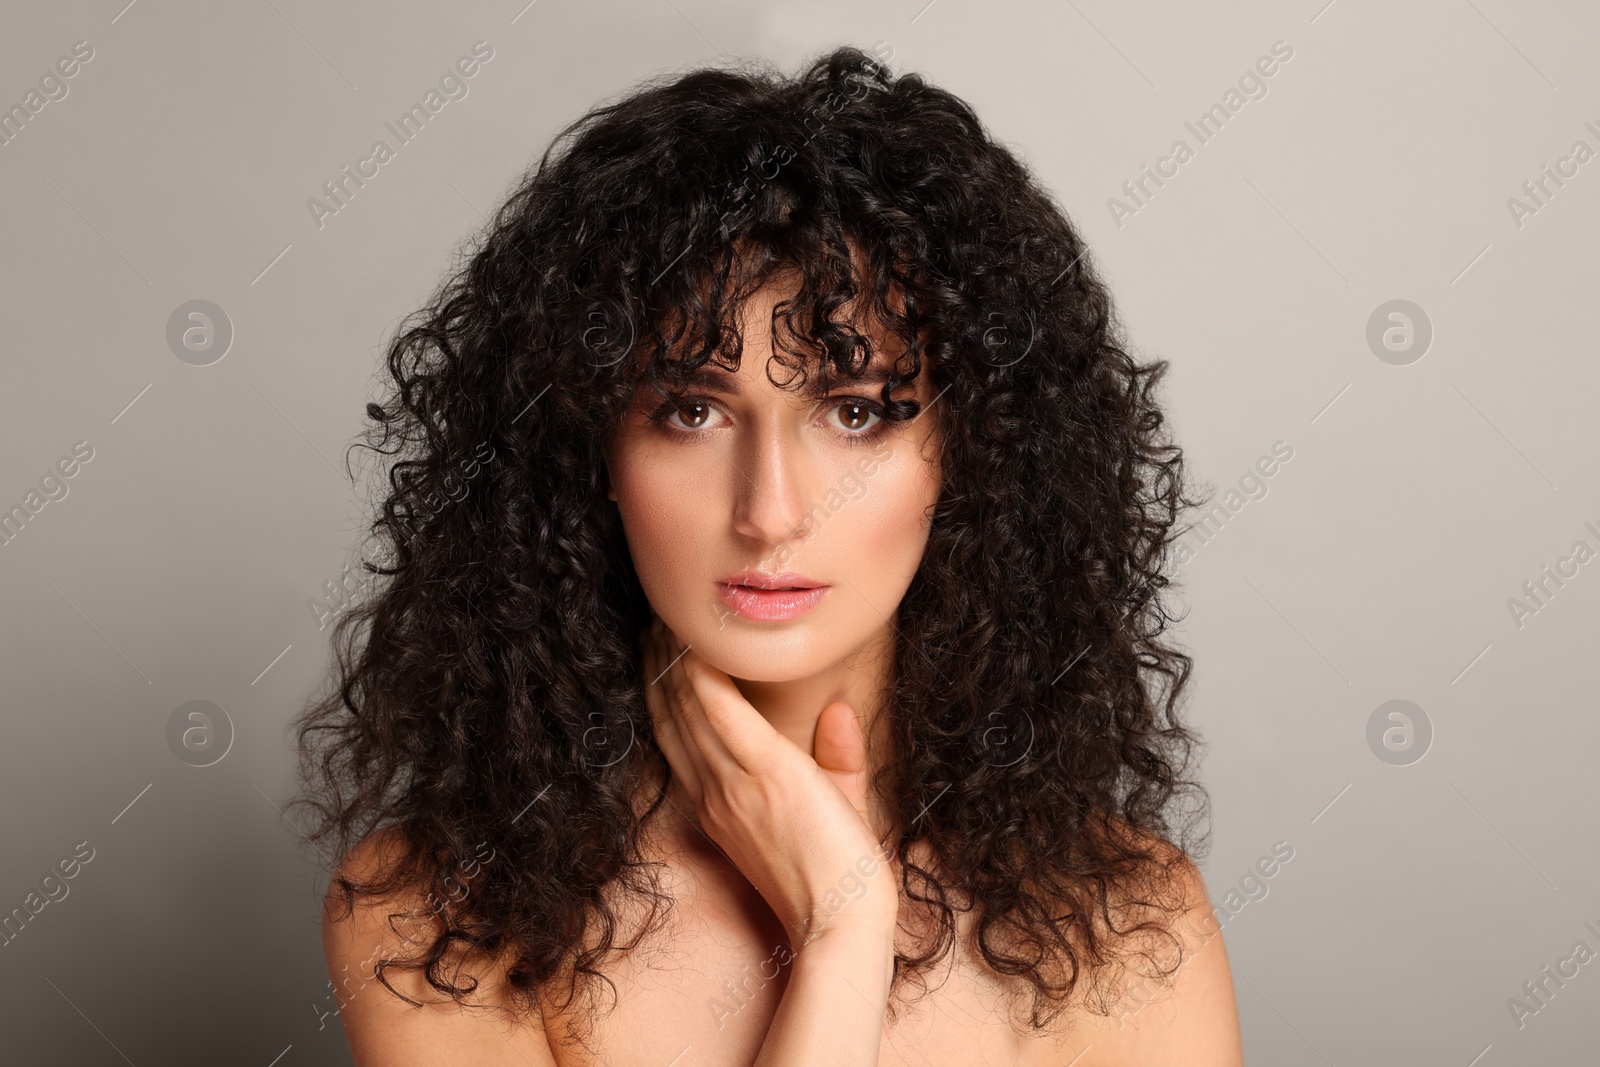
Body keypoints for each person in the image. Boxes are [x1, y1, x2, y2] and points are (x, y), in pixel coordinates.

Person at [293, 43, 1243, 1066]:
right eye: (692, 410)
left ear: (972, 456)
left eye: (853, 411)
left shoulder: (1121, 923)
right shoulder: (435, 917)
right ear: (591, 447)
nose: (771, 509)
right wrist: (842, 939)